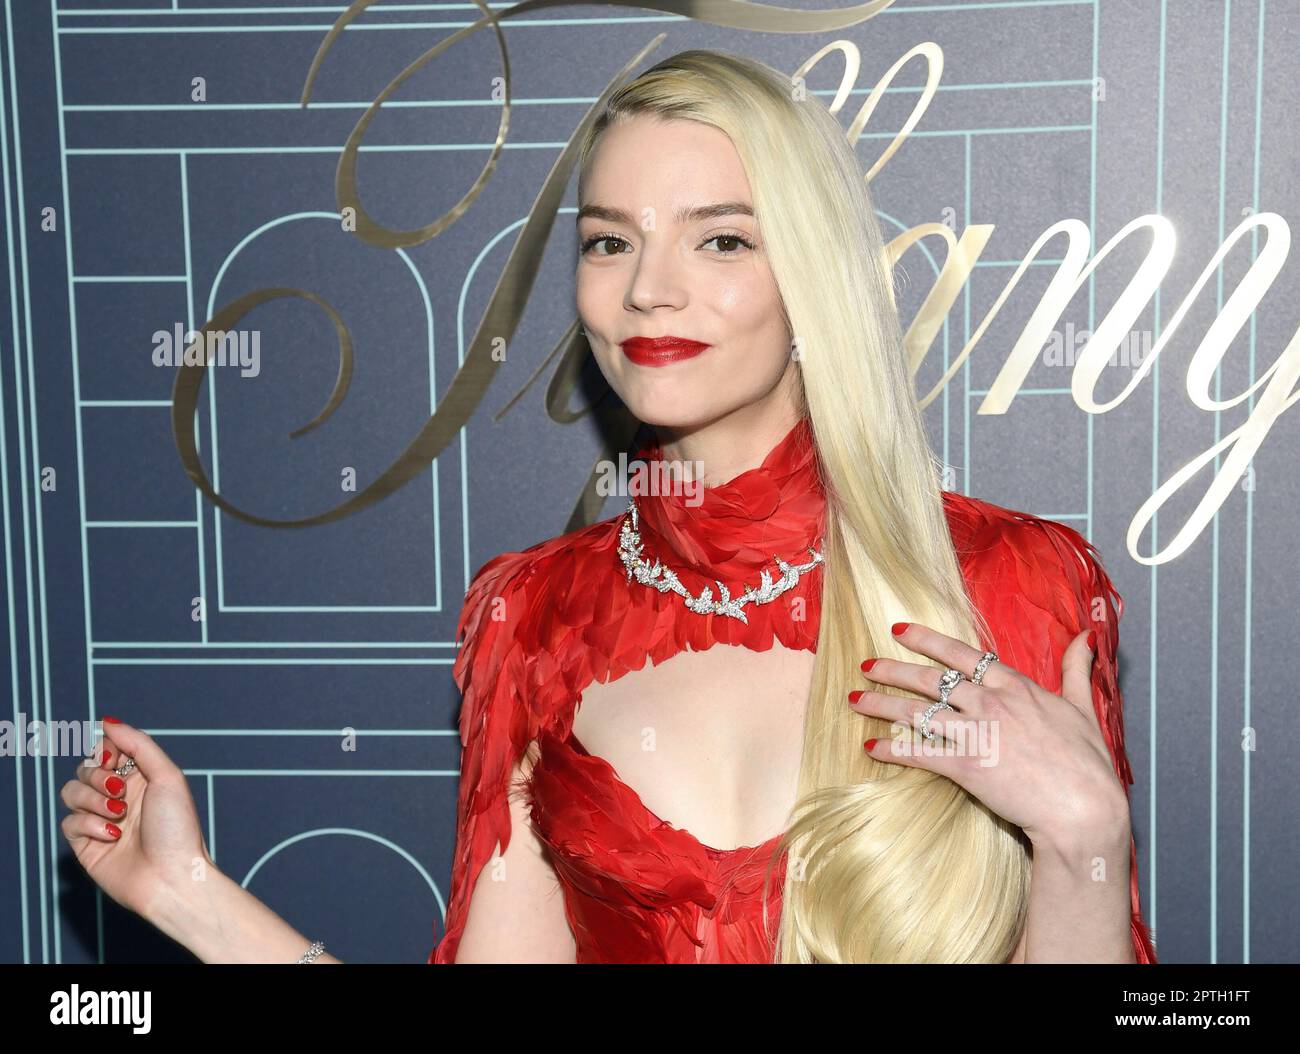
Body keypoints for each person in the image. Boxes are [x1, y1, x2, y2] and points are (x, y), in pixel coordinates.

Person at [61, 48, 1157, 965]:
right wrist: (190, 894)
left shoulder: (1009, 581)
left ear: (811, 275)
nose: (647, 288)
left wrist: (1083, 838)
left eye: (720, 237)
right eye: (608, 240)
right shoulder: (536, 618)